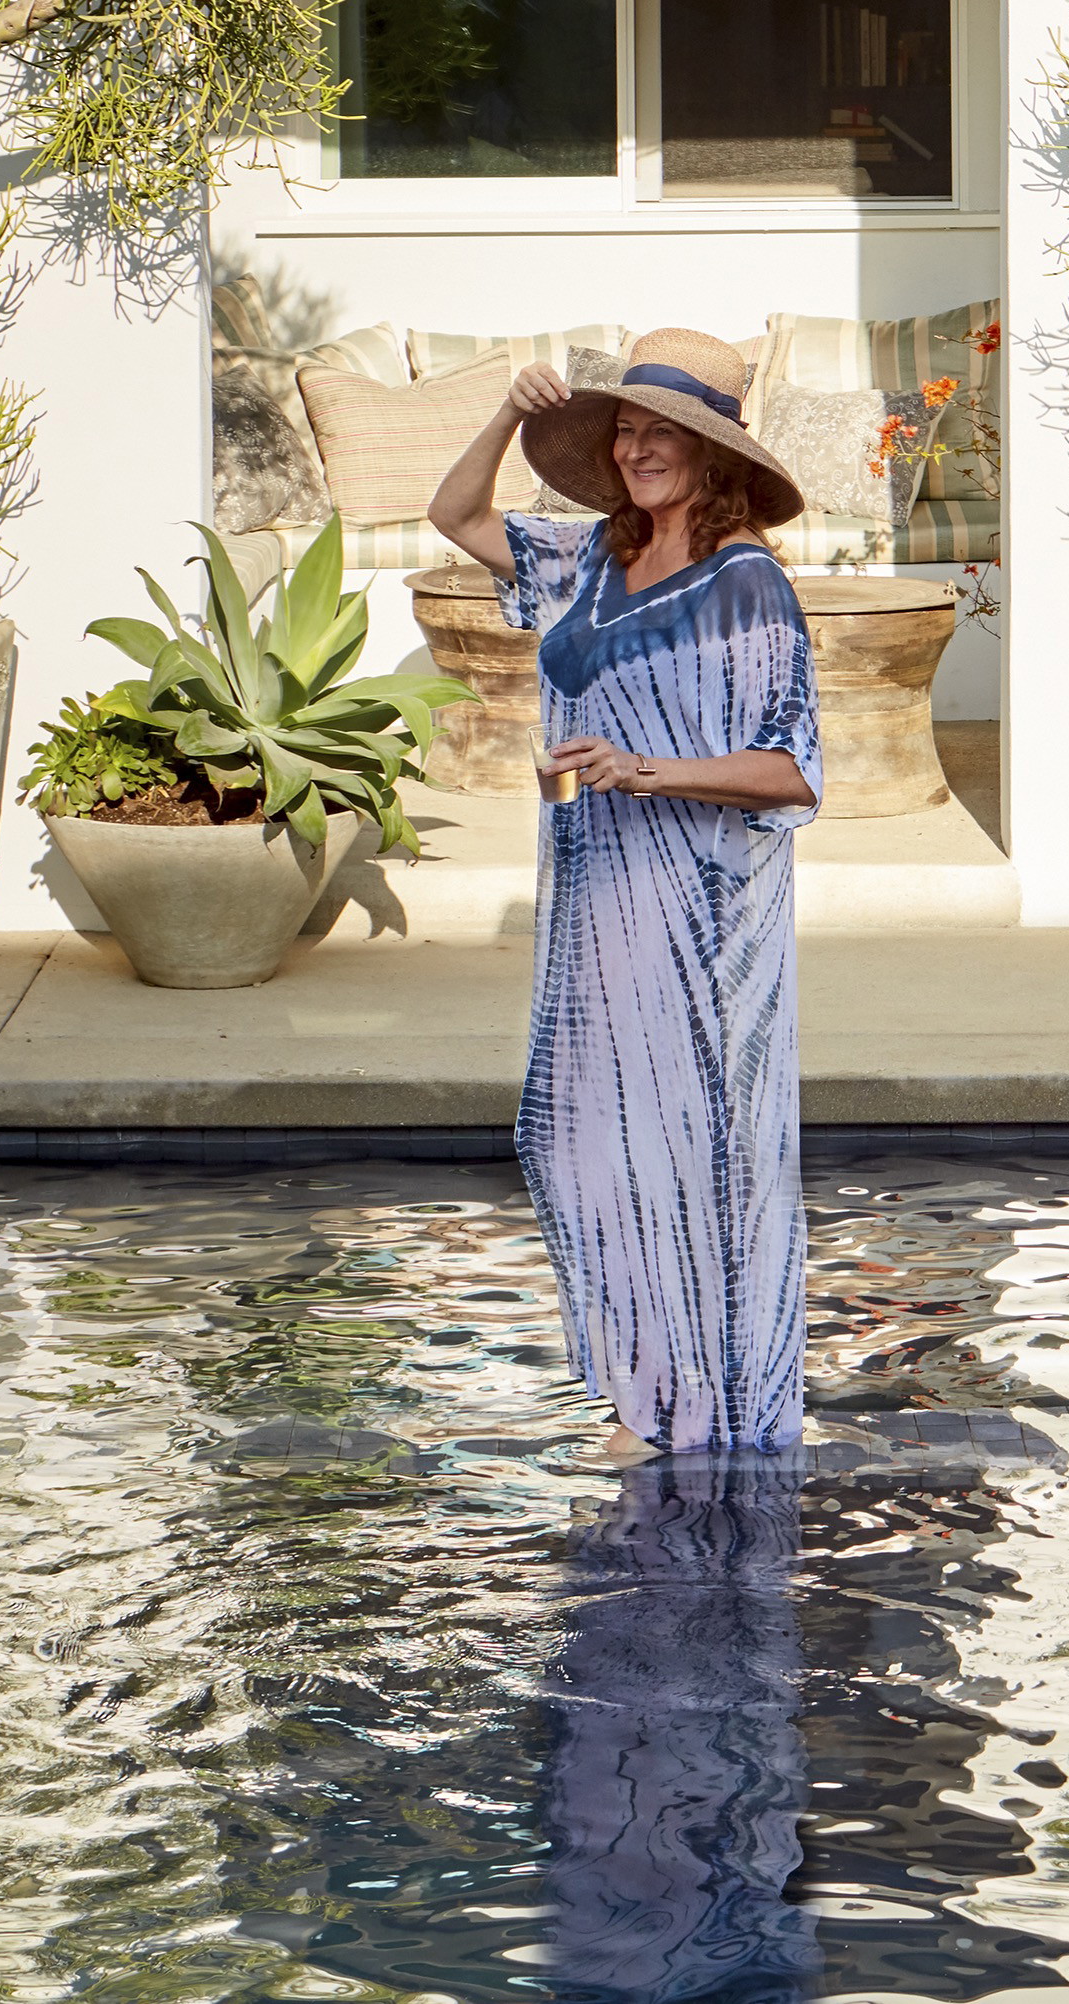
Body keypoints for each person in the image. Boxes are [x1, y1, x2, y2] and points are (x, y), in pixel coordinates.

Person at [430, 326, 823, 1460]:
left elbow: (794, 769)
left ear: (717, 456)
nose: (643, 448)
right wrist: (508, 413)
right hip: (595, 896)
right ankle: (648, 1389)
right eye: (630, 429)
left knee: (688, 1152)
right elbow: (456, 517)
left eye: (669, 432)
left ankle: (704, 1416)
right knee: (578, 1140)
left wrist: (647, 769)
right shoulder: (590, 561)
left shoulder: (746, 587)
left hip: (696, 908)